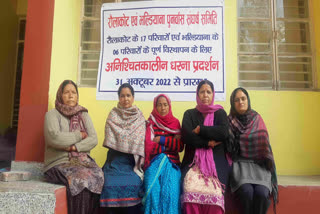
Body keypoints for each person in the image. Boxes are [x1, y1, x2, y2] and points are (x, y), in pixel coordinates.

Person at [44, 80, 104, 214]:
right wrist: (79, 135)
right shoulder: (52, 115)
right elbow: (54, 138)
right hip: (57, 163)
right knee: (80, 179)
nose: (70, 96)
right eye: (66, 92)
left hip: (82, 162)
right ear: (60, 95)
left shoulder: (83, 114)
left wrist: (73, 147)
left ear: (77, 96)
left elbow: (93, 139)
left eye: (73, 93)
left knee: (98, 175)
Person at [180, 80, 231, 214]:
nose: (205, 95)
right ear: (197, 95)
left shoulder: (220, 113)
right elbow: (187, 137)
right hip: (193, 163)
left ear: (213, 94)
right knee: (190, 190)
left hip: (215, 164)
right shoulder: (189, 114)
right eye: (202, 92)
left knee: (215, 194)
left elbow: (223, 133)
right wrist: (208, 143)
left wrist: (200, 129)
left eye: (208, 92)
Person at [228, 87, 278, 214]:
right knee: (247, 192)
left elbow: (265, 145)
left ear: (248, 100)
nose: (241, 102)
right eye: (237, 100)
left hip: (260, 166)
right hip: (240, 166)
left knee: (262, 193)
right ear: (233, 104)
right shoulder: (229, 121)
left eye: (243, 98)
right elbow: (229, 148)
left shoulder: (257, 118)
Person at [100, 83, 145, 214]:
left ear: (133, 97)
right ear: (118, 98)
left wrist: (123, 141)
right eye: (122, 96)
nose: (125, 99)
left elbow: (140, 142)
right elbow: (110, 138)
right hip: (114, 161)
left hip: (132, 163)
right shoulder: (112, 115)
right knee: (108, 183)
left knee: (135, 183)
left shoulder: (139, 117)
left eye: (128, 95)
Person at [143, 94, 184, 214]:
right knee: (152, 191)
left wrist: (161, 139)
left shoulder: (175, 123)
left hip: (172, 164)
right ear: (155, 107)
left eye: (165, 104)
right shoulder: (151, 123)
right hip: (154, 162)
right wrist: (170, 144)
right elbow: (149, 147)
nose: (163, 108)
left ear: (169, 106)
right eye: (159, 105)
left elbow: (180, 147)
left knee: (170, 193)